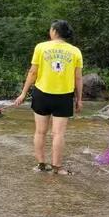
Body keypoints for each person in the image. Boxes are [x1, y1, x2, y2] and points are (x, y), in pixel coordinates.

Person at [13, 20, 83, 175]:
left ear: (54, 31)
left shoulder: (41, 47)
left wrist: (23, 93)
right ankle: (57, 168)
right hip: (64, 96)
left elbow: (33, 72)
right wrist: (79, 99)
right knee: (58, 134)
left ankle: (41, 165)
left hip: (42, 94)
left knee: (40, 132)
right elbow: (78, 78)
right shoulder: (75, 51)